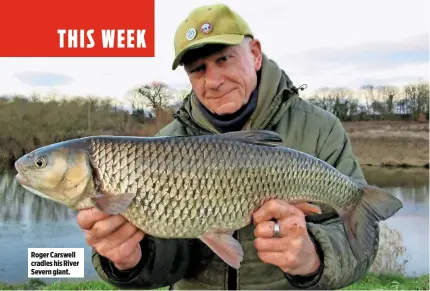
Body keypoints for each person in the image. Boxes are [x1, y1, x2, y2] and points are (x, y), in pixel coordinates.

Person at [76, 4, 380, 290]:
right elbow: (172, 258)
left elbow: (361, 248)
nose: (214, 80)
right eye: (198, 69)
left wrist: (313, 258)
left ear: (255, 54)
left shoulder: (320, 130)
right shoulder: (163, 146)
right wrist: (131, 260)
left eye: (224, 59)